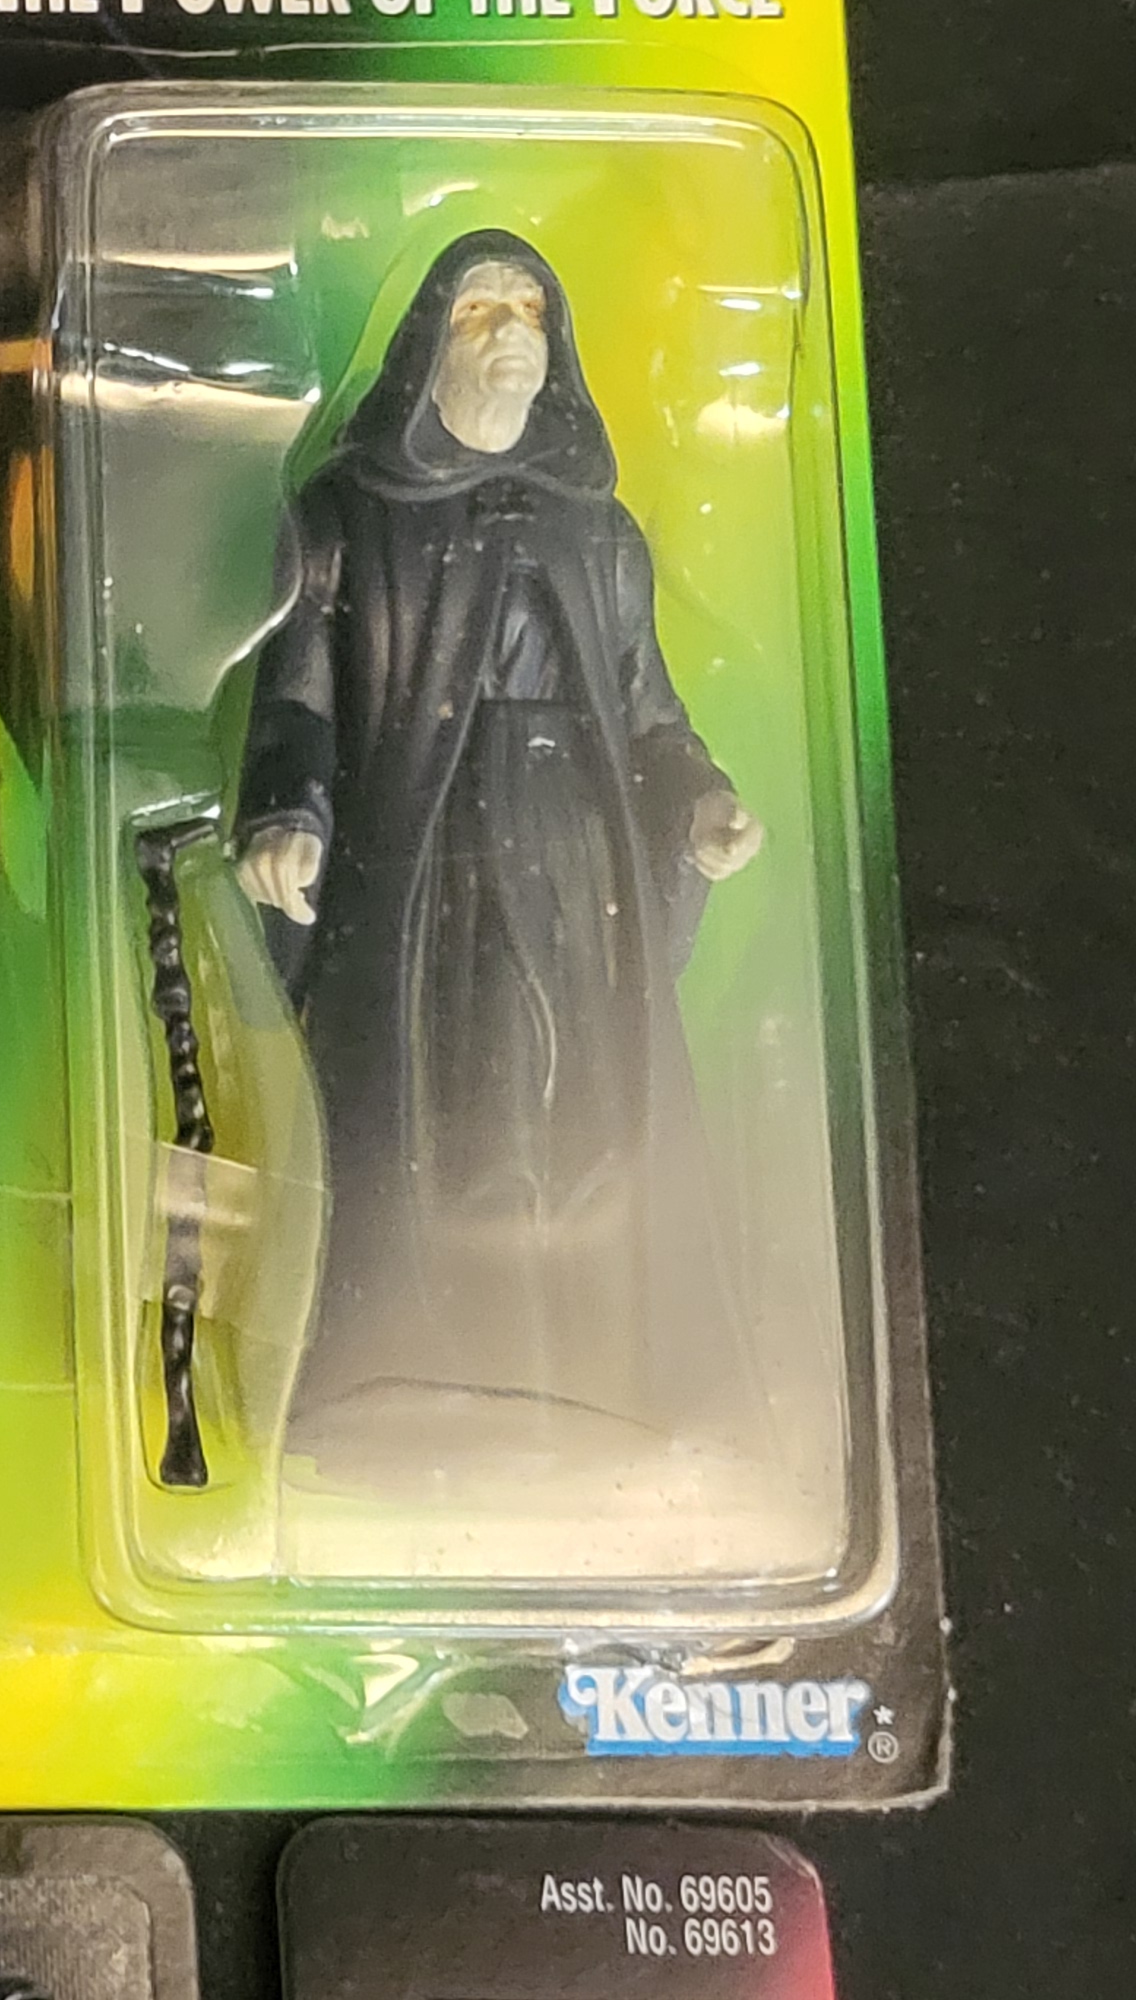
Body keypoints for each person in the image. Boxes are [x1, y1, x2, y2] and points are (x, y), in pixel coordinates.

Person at [235, 232, 767, 1481]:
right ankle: (414, 1373)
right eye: (480, 310)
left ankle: (599, 1376)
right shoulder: (346, 518)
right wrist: (286, 813)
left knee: (589, 1113)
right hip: (430, 868)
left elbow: (648, 714)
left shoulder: (599, 533)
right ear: (430, 343)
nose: (508, 332)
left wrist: (699, 805)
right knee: (450, 1114)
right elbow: (296, 702)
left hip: (578, 868)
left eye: (527, 309)